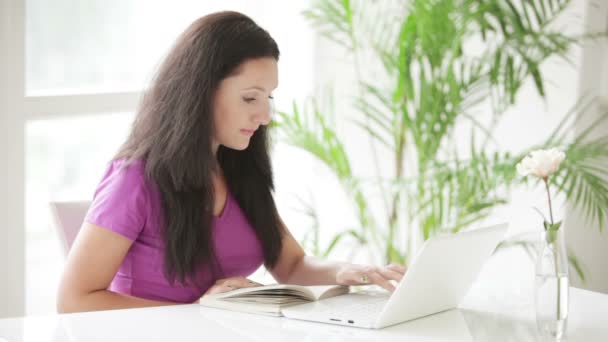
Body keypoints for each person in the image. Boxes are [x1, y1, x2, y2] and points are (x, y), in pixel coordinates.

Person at [57, 11, 405, 313]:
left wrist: (352, 271)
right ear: (200, 90)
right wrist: (196, 313)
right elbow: (75, 300)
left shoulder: (240, 170)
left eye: (269, 97)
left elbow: (292, 264)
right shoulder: (135, 179)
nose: (265, 115)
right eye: (250, 97)